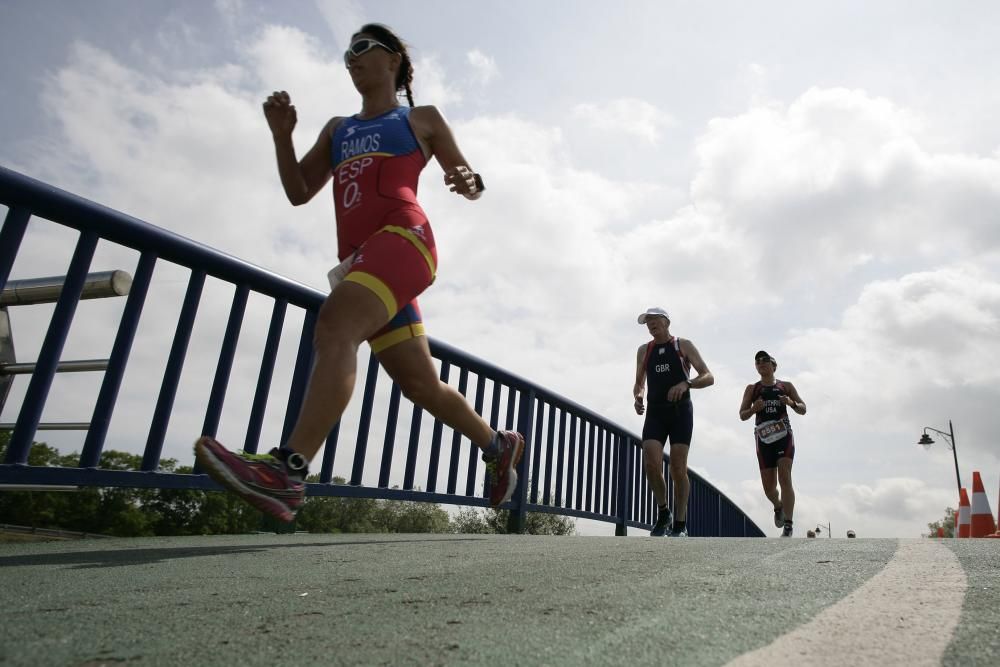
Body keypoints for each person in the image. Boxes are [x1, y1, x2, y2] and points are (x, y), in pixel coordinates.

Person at [195, 24, 523, 522]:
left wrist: (468, 180)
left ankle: (288, 471)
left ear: (392, 60)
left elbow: (470, 180)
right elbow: (299, 190)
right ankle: (497, 444)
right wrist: (282, 137)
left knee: (336, 326)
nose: (351, 58)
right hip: (365, 260)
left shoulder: (421, 117)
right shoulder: (337, 128)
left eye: (362, 49)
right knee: (420, 385)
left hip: (405, 240)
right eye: (346, 53)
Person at [633, 307, 714, 537]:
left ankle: (680, 523)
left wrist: (686, 384)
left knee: (678, 468)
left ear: (666, 321)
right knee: (650, 463)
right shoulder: (644, 350)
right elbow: (639, 383)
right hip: (655, 413)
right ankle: (663, 512)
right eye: (647, 322)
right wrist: (638, 396)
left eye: (654, 320)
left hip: (680, 413)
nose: (650, 324)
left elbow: (708, 376)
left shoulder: (682, 345)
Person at [738, 350, 806, 537]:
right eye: (757, 361)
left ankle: (789, 525)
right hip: (764, 439)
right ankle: (778, 506)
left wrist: (791, 403)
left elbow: (803, 409)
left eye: (765, 360)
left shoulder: (786, 386)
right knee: (769, 489)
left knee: (785, 477)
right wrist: (754, 409)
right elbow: (742, 415)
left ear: (773, 366)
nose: (761, 363)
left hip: (784, 436)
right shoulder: (752, 389)